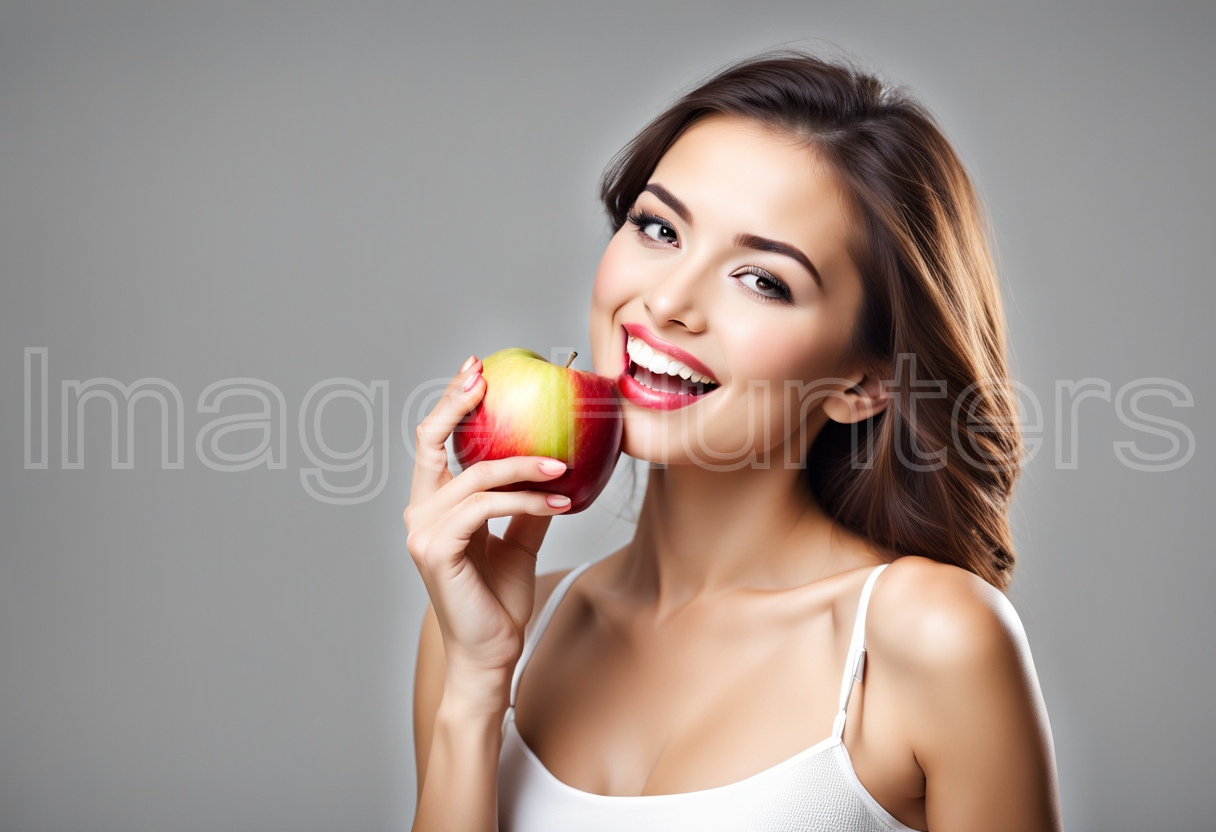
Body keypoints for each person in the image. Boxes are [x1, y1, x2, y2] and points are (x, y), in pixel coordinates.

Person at [404, 47, 1063, 832]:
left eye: (763, 280)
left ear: (864, 383)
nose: (670, 300)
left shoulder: (929, 640)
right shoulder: (487, 635)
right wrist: (476, 685)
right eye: (658, 228)